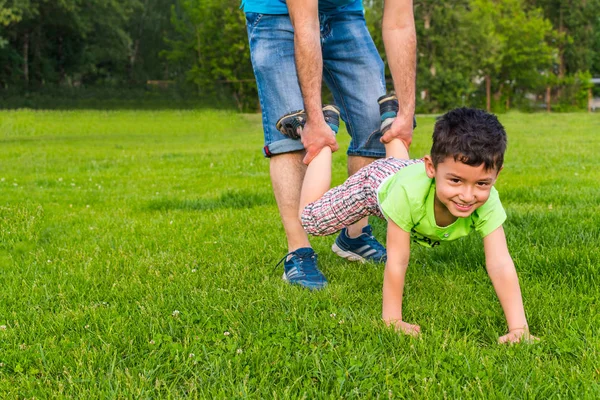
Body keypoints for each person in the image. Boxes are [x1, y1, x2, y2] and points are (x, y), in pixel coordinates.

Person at [278, 99, 537, 344]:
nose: (468, 196)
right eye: (456, 181)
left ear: (496, 174)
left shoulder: (487, 200)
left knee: (401, 167)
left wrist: (518, 329)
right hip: (377, 184)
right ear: (432, 168)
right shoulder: (407, 197)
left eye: (481, 183)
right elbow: (398, 259)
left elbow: (500, 263)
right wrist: (393, 320)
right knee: (312, 220)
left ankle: (391, 118)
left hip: (409, 173)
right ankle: (322, 140)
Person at [242, 0, 417, 290]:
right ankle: (298, 251)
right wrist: (313, 120)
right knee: (291, 133)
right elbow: (305, 25)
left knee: (373, 123)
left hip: (343, 12)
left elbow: (400, 23)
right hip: (274, 13)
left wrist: (406, 111)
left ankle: (355, 236)